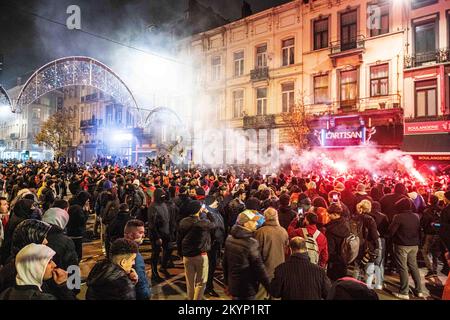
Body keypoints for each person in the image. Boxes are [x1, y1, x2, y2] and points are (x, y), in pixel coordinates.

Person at [223, 210, 270, 300]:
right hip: (247, 288)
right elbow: (259, 269)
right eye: (252, 221)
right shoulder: (251, 243)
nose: (256, 223)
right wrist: (270, 287)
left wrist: (227, 283)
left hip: (234, 286)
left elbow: (225, 264)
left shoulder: (230, 238)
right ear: (245, 224)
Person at [177, 200, 215, 300]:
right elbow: (215, 224)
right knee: (201, 282)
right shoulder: (203, 223)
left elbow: (179, 239)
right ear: (199, 210)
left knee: (190, 282)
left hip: (187, 256)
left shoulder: (183, 221)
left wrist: (180, 253)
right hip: (200, 255)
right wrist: (207, 212)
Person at [0, 243, 67, 300]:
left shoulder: (6, 293)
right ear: (35, 267)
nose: (54, 265)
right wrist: (63, 287)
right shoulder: (43, 298)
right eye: (49, 262)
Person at [387, 198, 424, 299]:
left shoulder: (398, 217)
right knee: (413, 266)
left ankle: (404, 292)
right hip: (414, 245)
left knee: (403, 267)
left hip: (402, 245)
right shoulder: (416, 216)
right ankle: (419, 290)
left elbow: (391, 231)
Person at [351, 200, 380, 286]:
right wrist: (377, 247)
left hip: (356, 245)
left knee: (356, 268)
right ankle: (367, 289)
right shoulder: (370, 219)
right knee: (369, 271)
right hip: (368, 247)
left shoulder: (354, 217)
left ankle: (353, 287)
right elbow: (374, 235)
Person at [42, 205, 78, 270]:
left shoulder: (34, 235)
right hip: (60, 277)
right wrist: (76, 280)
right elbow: (73, 267)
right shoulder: (65, 241)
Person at [1, 199, 36, 264]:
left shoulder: (16, 217)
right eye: (30, 207)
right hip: (12, 256)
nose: (33, 210)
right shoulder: (20, 222)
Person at [147, 188, 171, 282]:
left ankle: (163, 266)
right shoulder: (153, 207)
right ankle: (154, 273)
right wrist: (157, 237)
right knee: (155, 254)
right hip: (157, 235)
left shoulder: (163, 204)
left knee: (168, 249)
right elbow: (152, 224)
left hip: (165, 232)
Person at [124, 219, 151, 300]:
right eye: (140, 233)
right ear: (130, 235)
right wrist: (146, 295)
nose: (143, 236)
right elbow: (140, 282)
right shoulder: (134, 256)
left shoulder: (120, 249)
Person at [204, 197, 225, 297]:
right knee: (209, 267)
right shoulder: (208, 214)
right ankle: (208, 287)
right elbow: (213, 227)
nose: (217, 202)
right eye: (215, 201)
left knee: (211, 266)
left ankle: (208, 285)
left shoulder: (216, 212)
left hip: (216, 244)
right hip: (211, 244)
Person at [325, 202, 351, 281]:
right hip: (344, 259)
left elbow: (330, 249)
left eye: (330, 214)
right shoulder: (346, 223)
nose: (328, 215)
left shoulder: (331, 229)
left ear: (336, 214)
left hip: (334, 262)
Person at [368, 201, 389, 290]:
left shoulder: (368, 216)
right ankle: (379, 282)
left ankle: (369, 280)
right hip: (381, 239)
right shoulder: (383, 216)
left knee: (369, 260)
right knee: (380, 262)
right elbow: (387, 229)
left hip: (369, 240)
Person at [420, 195, 442, 278]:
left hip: (430, 234)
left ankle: (430, 270)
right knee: (435, 253)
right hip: (439, 234)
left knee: (425, 252)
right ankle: (434, 269)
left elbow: (424, 223)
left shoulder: (427, 211)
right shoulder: (441, 210)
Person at [67, 192, 91, 263]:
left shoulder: (74, 206)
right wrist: (86, 211)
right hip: (76, 233)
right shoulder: (78, 208)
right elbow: (82, 221)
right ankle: (75, 270)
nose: (88, 201)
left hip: (71, 231)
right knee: (77, 253)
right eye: (87, 199)